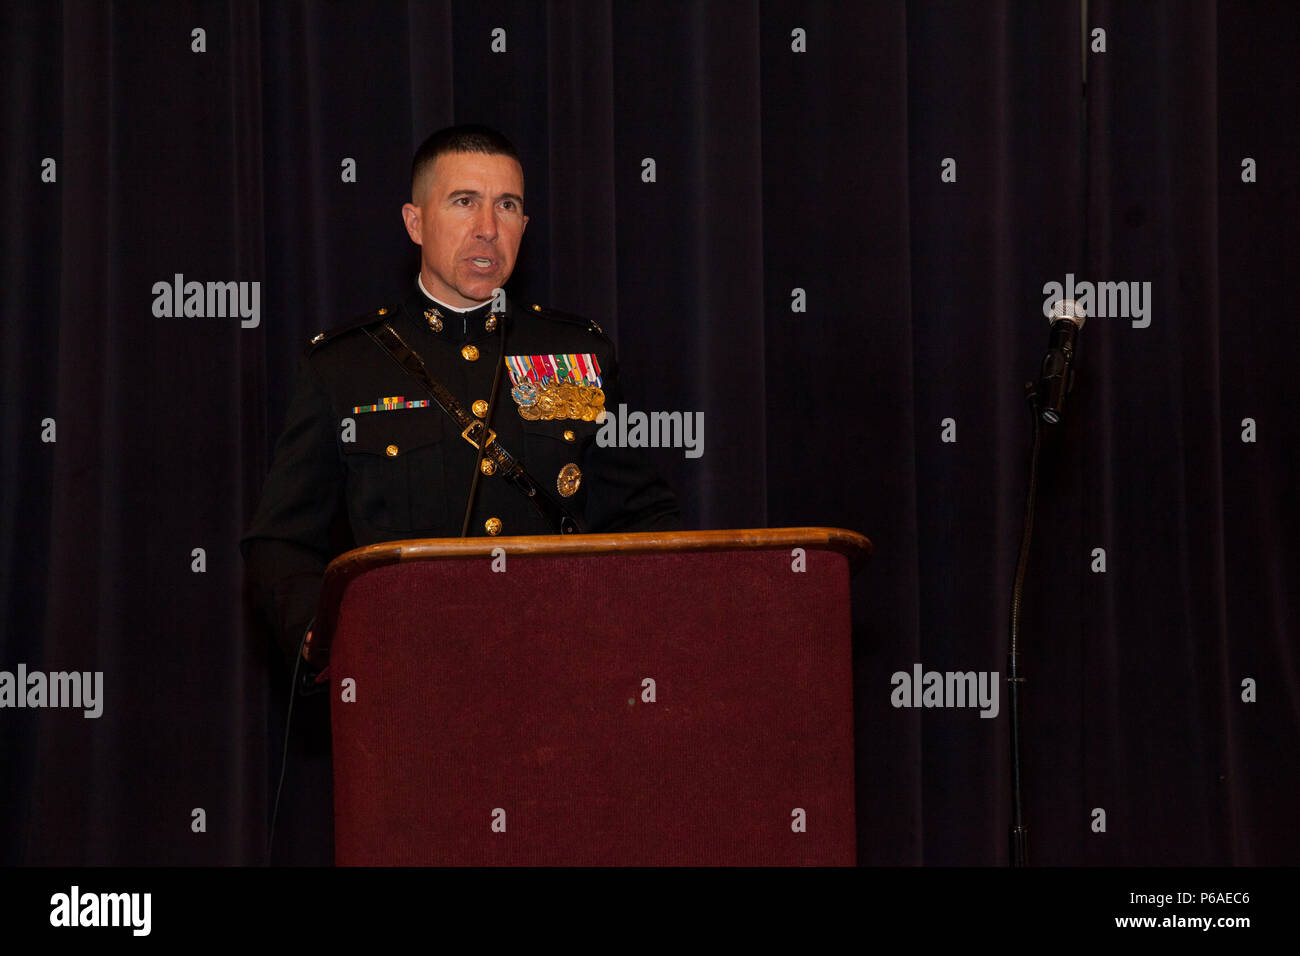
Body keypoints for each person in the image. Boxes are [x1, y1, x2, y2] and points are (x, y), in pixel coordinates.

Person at [241, 124, 683, 681]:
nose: (487, 229)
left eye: (507, 206)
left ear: (525, 226)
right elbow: (280, 541)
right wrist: (325, 639)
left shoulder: (572, 355)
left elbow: (644, 518)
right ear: (415, 222)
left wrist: (638, 633)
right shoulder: (347, 367)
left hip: (565, 672)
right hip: (408, 678)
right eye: (464, 202)